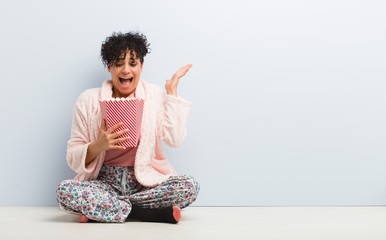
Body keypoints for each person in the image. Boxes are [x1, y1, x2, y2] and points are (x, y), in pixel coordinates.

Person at [56, 31, 199, 224]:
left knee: (189, 186)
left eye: (133, 63)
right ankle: (143, 213)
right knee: (65, 191)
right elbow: (73, 157)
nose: (125, 70)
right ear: (109, 66)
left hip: (144, 182)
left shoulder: (154, 95)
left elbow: (174, 139)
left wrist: (172, 95)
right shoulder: (88, 100)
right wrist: (98, 145)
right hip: (104, 183)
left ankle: (108, 209)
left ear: (141, 66)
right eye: (118, 63)